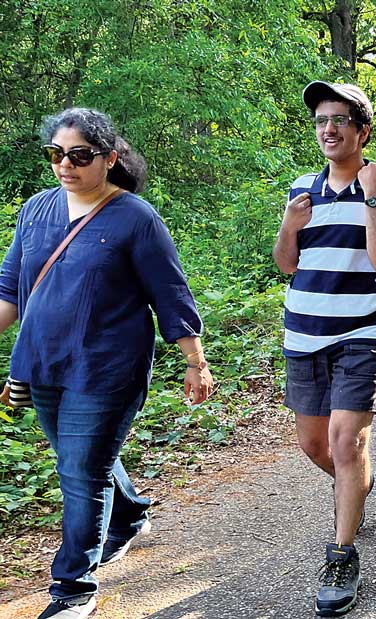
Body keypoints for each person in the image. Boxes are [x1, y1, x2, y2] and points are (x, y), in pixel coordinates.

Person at [0, 108, 213, 619]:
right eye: (56, 154)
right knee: (83, 458)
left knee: (79, 470)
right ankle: (130, 517)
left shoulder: (134, 217)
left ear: (109, 158)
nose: (65, 165)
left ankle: (73, 587)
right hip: (43, 363)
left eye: (79, 155)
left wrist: (195, 361)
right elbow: (10, 289)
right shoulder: (36, 210)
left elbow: (170, 293)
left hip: (106, 367)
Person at [273, 81, 376, 616]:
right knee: (315, 446)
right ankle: (358, 488)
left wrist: (373, 196)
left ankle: (341, 552)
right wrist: (290, 224)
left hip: (365, 332)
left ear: (362, 130)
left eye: (340, 120)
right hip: (305, 332)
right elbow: (287, 263)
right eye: (321, 120)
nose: (328, 129)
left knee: (347, 440)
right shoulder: (302, 188)